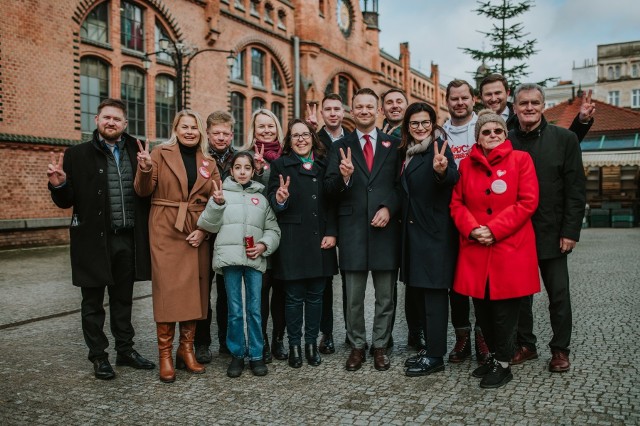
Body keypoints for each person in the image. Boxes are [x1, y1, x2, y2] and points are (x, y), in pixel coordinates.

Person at [48, 98, 155, 380]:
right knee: (92, 303)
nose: (111, 123)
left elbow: (148, 192)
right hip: (93, 241)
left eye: (117, 119)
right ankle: (98, 356)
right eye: (106, 117)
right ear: (96, 120)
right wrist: (59, 185)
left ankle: (125, 350)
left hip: (127, 237)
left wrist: (147, 168)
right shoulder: (76, 154)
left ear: (125, 124)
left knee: (123, 300)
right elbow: (66, 201)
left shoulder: (137, 149)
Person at [450, 109, 540, 388]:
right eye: (486, 131)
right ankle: (494, 359)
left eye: (497, 131)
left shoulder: (521, 160)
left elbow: (527, 201)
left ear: (505, 134)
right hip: (476, 248)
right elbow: (457, 203)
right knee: (483, 310)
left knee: (505, 312)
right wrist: (473, 228)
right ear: (477, 137)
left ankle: (503, 362)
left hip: (509, 248)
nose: (492, 135)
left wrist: (494, 229)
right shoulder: (465, 165)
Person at [134, 110, 219, 383]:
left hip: (197, 227)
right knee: (168, 291)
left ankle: (186, 349)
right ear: (176, 128)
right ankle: (165, 356)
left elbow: (216, 202)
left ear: (200, 131)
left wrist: (203, 231)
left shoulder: (208, 161)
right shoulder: (159, 153)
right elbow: (143, 191)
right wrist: (145, 168)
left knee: (195, 289)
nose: (190, 131)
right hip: (165, 227)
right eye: (185, 127)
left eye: (194, 127)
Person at [508, 83, 586, 372]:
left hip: (553, 231)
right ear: (514, 108)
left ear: (542, 106)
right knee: (520, 296)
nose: (529, 108)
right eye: (523, 103)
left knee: (559, 295)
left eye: (535, 103)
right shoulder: (506, 141)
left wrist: (570, 231)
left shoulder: (565, 139)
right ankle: (525, 344)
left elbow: (575, 189)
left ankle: (560, 350)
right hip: (516, 233)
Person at [325, 88, 401, 372]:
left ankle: (380, 345)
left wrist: (389, 208)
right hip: (352, 230)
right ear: (351, 111)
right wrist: (344, 178)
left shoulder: (393, 145)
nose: (365, 111)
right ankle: (357, 345)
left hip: (385, 229)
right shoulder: (339, 146)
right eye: (359, 106)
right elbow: (328, 190)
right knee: (353, 298)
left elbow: (399, 187)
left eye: (370, 106)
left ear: (378, 110)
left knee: (385, 296)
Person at [197, 151, 281, 378]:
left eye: (247, 168)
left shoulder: (261, 199)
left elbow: (273, 229)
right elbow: (207, 224)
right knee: (234, 310)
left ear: (253, 171)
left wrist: (264, 245)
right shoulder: (221, 195)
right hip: (230, 260)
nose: (242, 172)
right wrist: (216, 205)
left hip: (254, 260)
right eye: (238, 168)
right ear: (231, 171)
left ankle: (255, 354)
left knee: (254, 309)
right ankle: (236, 354)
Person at [268, 119, 338, 368]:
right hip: (292, 240)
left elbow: (333, 201)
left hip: (321, 238)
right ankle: (295, 344)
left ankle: (311, 343)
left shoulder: (324, 163)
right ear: (289, 140)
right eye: (295, 135)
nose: (301, 139)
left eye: (305, 134)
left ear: (312, 137)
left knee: (316, 296)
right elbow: (273, 202)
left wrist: (332, 232)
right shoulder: (279, 164)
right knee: (294, 297)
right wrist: (280, 198)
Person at [397, 102, 459, 377]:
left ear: (433, 124)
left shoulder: (439, 148)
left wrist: (441, 170)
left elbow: (451, 178)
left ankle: (436, 355)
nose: (420, 128)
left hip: (434, 235)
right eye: (414, 123)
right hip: (414, 234)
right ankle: (431, 347)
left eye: (425, 123)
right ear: (407, 127)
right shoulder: (408, 152)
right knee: (422, 296)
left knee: (434, 297)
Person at [442, 79, 490, 365]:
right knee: (455, 282)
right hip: (449, 215)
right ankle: (462, 337)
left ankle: (483, 337)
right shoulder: (441, 133)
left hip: (481, 214)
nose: (459, 103)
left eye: (464, 98)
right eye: (454, 99)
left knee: (482, 279)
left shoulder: (484, 128)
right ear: (447, 102)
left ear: (473, 100)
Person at [305, 94, 350, 355]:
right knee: (325, 281)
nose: (333, 113)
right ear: (322, 113)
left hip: (351, 215)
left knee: (351, 279)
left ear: (343, 112)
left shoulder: (352, 140)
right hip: (324, 216)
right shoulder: (314, 139)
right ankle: (327, 333)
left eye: (337, 109)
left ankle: (352, 331)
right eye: (328, 109)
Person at [380, 88, 423, 351]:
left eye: (399, 102)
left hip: (412, 216)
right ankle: (388, 334)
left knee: (414, 279)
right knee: (391, 281)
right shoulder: (382, 136)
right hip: (390, 217)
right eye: (389, 103)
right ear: (382, 109)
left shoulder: (415, 136)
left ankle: (416, 332)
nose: (395, 106)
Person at [244, 108, 288, 363]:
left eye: (270, 126)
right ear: (254, 129)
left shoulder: (287, 154)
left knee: (281, 292)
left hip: (285, 232)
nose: (266, 130)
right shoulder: (247, 156)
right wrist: (258, 171)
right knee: (260, 291)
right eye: (261, 126)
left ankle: (279, 339)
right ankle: (261, 342)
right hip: (259, 233)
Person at [194, 110, 237, 363]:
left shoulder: (240, 159)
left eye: (225, 133)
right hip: (204, 232)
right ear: (207, 134)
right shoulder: (199, 158)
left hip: (229, 234)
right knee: (201, 292)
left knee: (227, 292)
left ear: (232, 134)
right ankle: (201, 342)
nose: (221, 137)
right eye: (216, 133)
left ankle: (225, 340)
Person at [479, 73, 595, 140]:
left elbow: (563, 143)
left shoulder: (525, 116)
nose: (493, 98)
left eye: (498, 93)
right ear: (481, 96)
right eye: (489, 94)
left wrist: (582, 122)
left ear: (507, 93)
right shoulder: (476, 123)